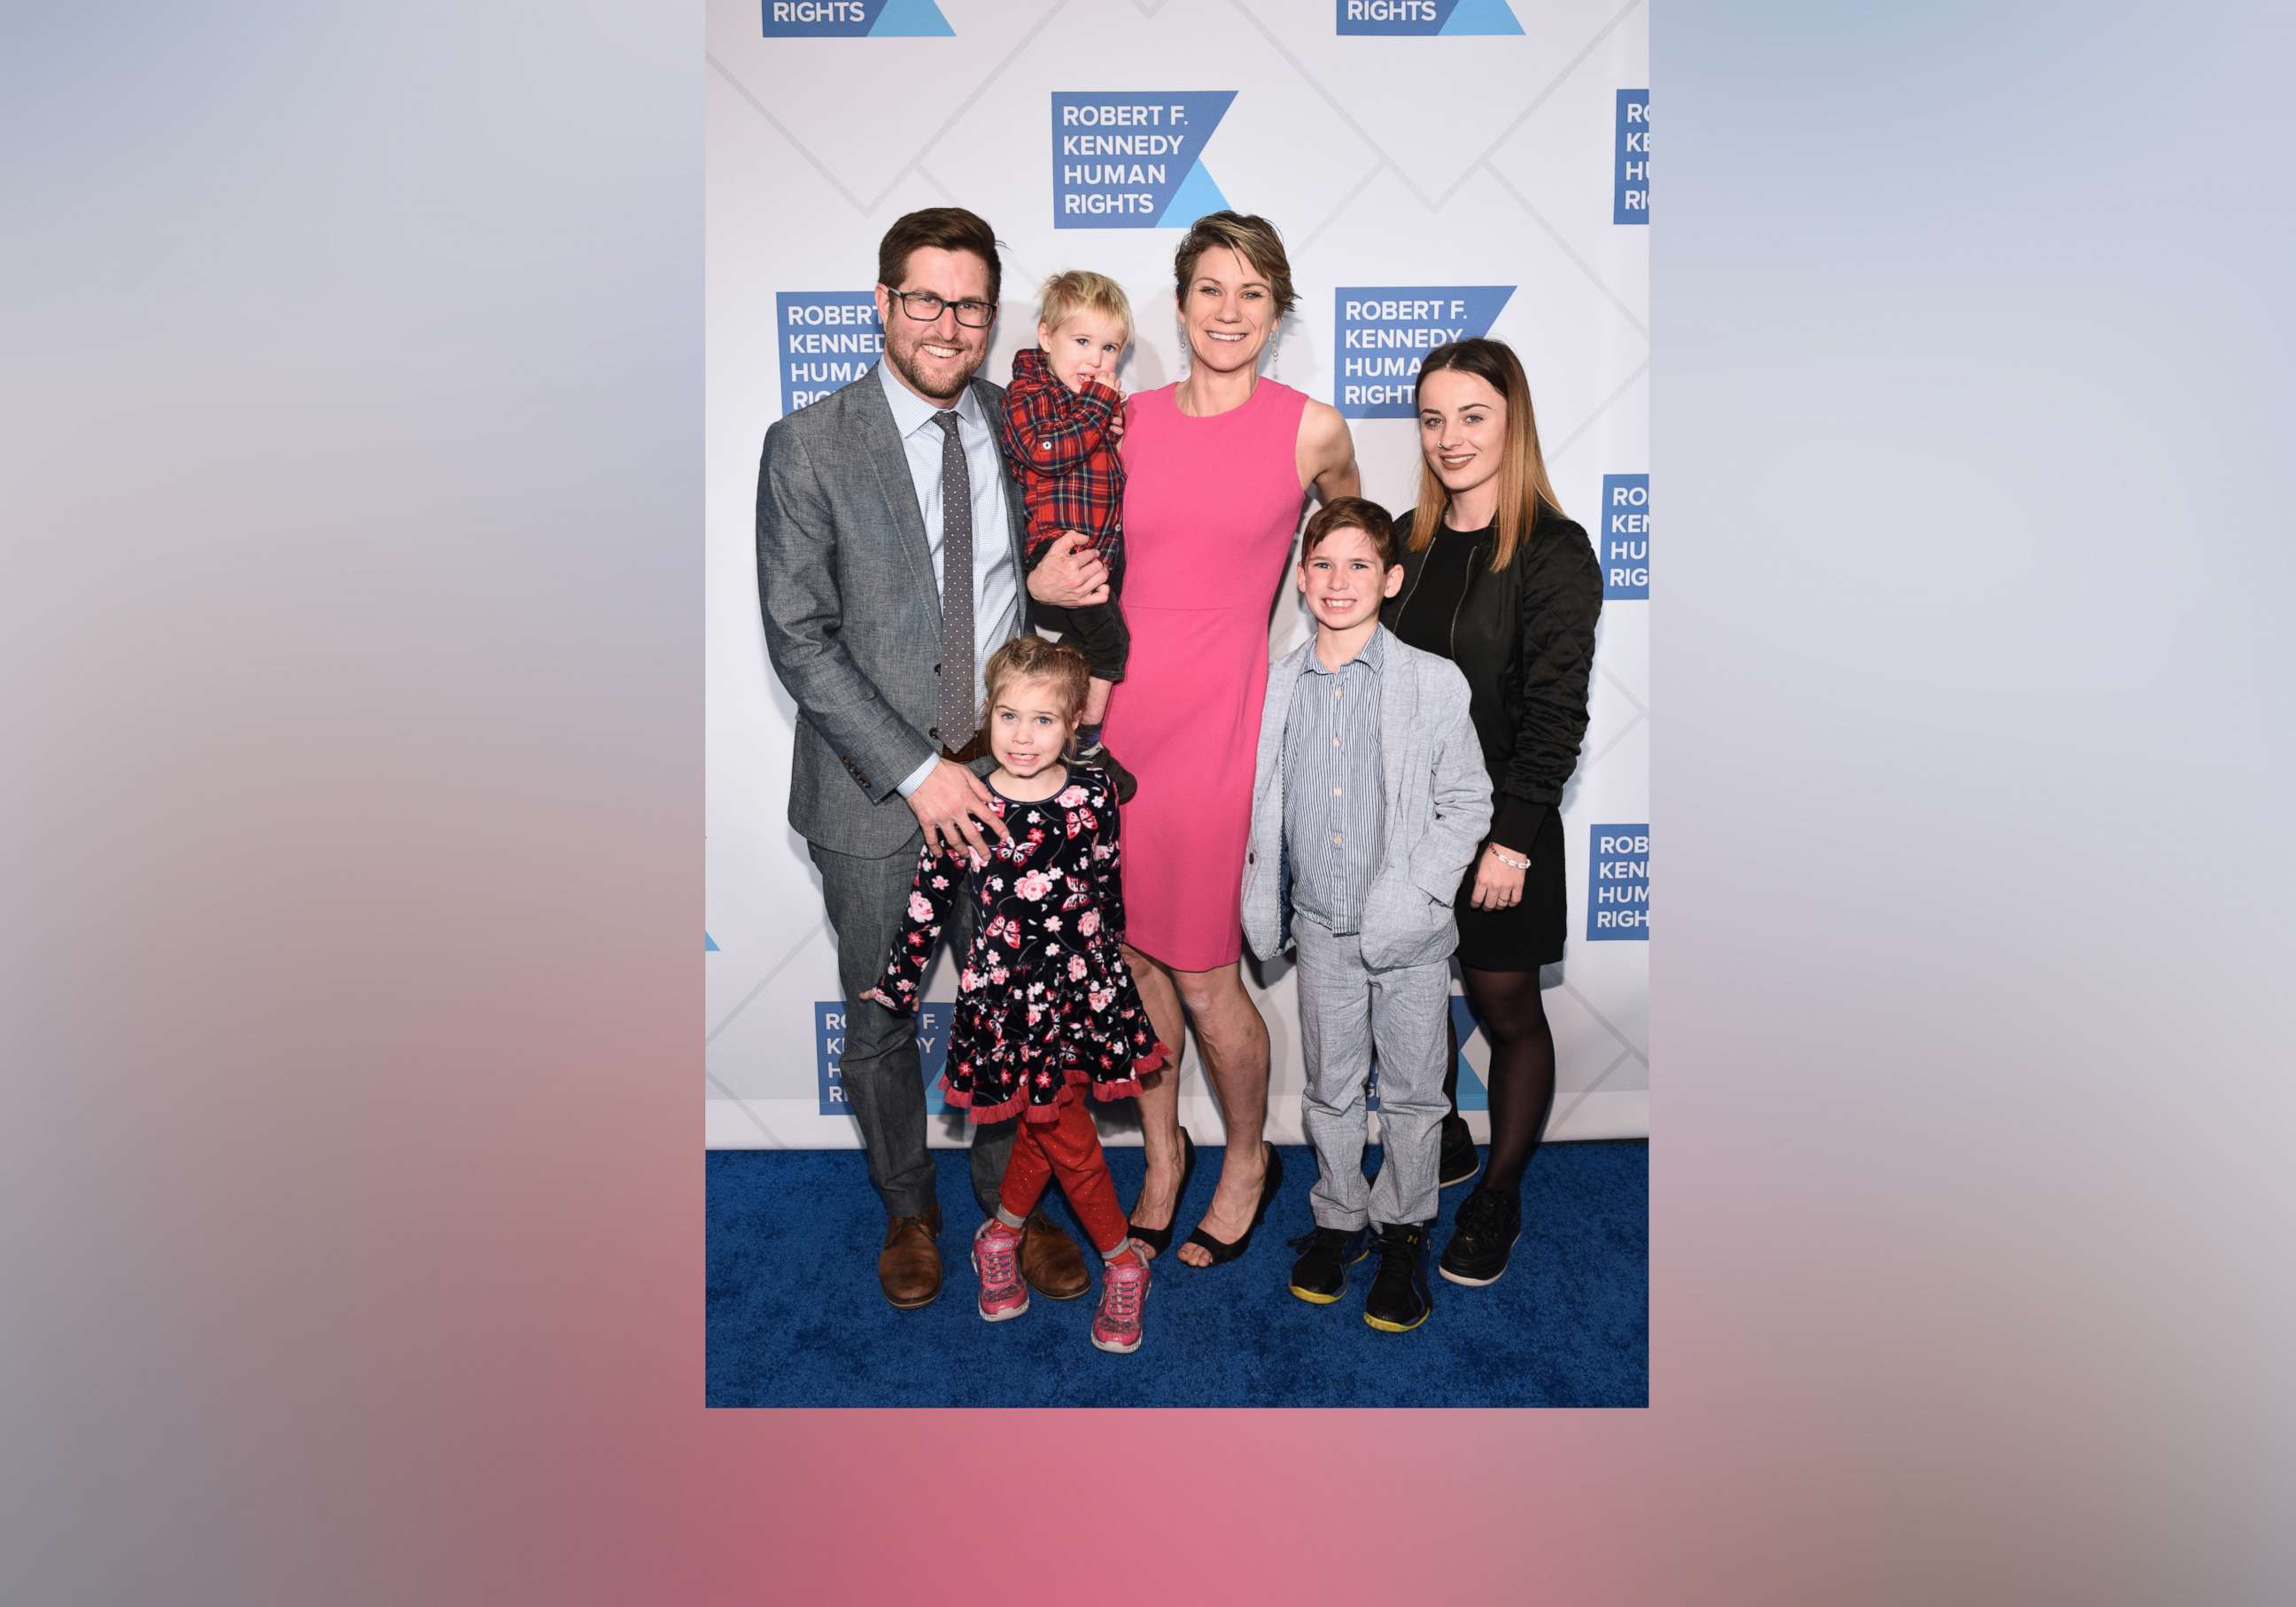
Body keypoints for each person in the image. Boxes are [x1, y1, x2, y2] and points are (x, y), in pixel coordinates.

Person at [756, 206, 1112, 1310]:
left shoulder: (1024, 423)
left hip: (1009, 787)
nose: (947, 324)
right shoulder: (810, 443)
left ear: (990, 314)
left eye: (968, 304)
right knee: (881, 1018)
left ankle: (1015, 1208)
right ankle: (908, 1208)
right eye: (924, 299)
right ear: (883, 302)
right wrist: (920, 769)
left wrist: (1055, 599)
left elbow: (1056, 563)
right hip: (876, 795)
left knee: (1016, 1009)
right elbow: (799, 635)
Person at [1097, 211, 1361, 1269]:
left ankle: (1248, 1156)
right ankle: (1164, 1155)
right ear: (1179, 301)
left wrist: (1335, 625)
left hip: (1224, 723)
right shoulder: (1120, 419)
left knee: (1207, 973)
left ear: (1277, 313)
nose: (1229, 312)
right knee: (1131, 959)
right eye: (1212, 288)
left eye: (1253, 294)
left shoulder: (1313, 429)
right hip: (1117, 720)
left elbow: (1350, 536)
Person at [865, 637, 1167, 1352]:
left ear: (1073, 726)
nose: (1022, 737)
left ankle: (999, 1237)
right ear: (987, 714)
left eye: (1042, 721)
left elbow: (1105, 885)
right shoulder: (966, 797)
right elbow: (928, 901)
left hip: (1084, 992)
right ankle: (1123, 1261)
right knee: (1068, 1131)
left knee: (1041, 1121)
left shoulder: (1095, 794)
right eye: (1007, 716)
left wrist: (1113, 975)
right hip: (1006, 1002)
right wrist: (899, 984)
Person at [1382, 338, 1603, 1290]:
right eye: (1433, 418)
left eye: (1473, 416)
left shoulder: (1555, 549)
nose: (1449, 437)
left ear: (1511, 424)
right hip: (1408, 829)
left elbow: (1557, 712)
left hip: (1506, 827)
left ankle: (1500, 1193)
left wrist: (1511, 837)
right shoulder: (1407, 540)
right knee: (1413, 997)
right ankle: (1452, 1136)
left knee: (1506, 1007)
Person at [1241, 499, 1492, 1332]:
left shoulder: (1431, 680)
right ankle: (1340, 1214)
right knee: (1331, 1085)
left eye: (1358, 566)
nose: (1338, 582)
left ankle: (1405, 1228)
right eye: (1322, 565)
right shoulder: (1274, 683)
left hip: (1411, 933)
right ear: (1301, 579)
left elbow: (1465, 804)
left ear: (1390, 579)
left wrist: (1417, 893)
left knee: (1418, 1094)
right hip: (1318, 926)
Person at [995, 271, 1137, 801]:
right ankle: (1089, 745)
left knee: (1079, 654)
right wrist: (1100, 409)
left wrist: (1110, 425)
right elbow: (1045, 451)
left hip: (1099, 549)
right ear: (1046, 334)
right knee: (1112, 642)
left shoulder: (1087, 403)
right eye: (1082, 342)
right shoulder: (1028, 392)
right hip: (1061, 547)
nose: (1097, 360)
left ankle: (1065, 737)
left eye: (1109, 349)